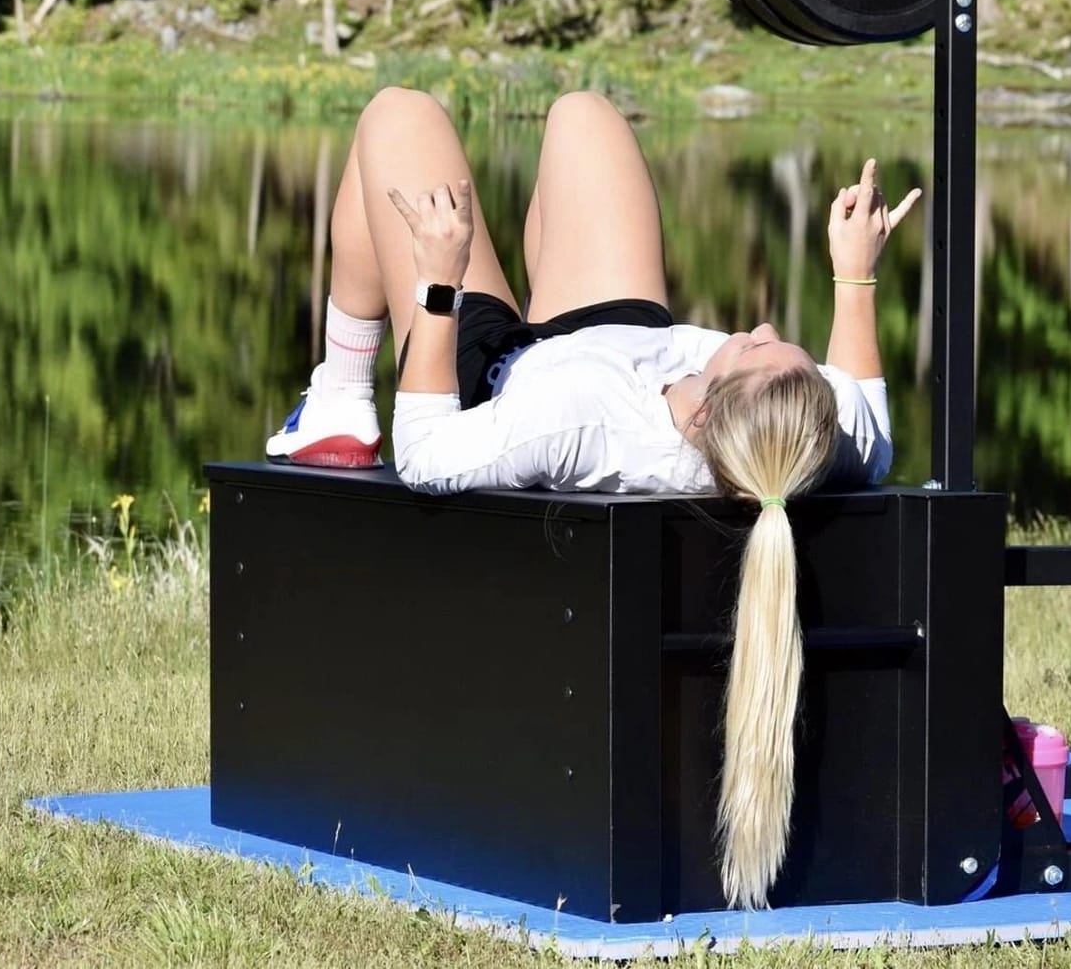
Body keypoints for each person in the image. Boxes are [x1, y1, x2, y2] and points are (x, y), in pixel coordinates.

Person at [265, 85, 920, 909]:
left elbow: (427, 457)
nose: (755, 329)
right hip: (617, 333)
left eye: (752, 348)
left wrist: (438, 284)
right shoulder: (811, 437)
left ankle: (338, 386)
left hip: (499, 374)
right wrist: (853, 274)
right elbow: (871, 421)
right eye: (777, 343)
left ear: (710, 411)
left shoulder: (578, 423)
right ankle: (340, 380)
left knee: (397, 120)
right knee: (585, 115)